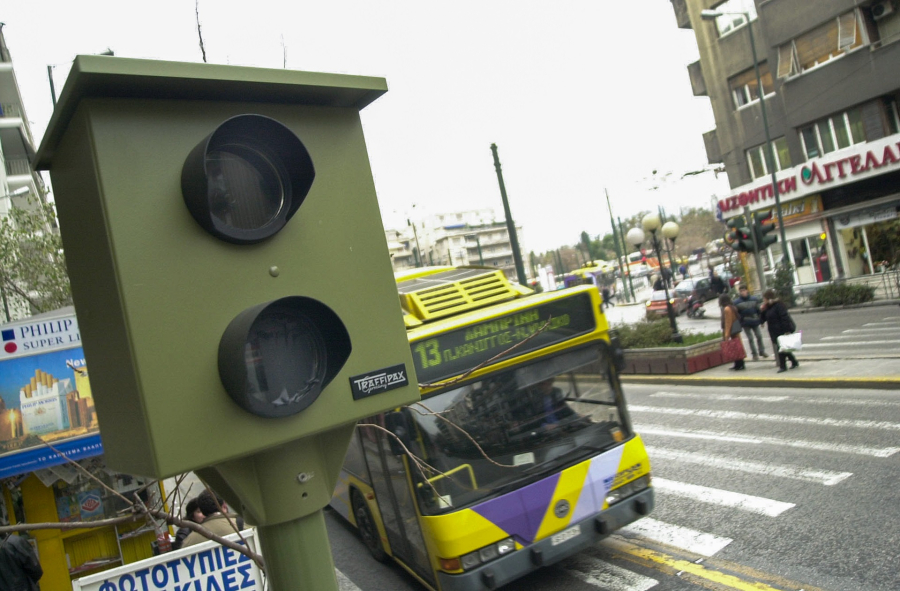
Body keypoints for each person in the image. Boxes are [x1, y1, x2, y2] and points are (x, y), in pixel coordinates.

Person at [760, 289, 799, 373]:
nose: (763, 300)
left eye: (764, 298)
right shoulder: (767, 307)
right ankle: (794, 361)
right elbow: (764, 317)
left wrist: (786, 330)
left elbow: (784, 317)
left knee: (780, 349)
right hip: (773, 330)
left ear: (768, 298)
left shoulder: (778, 305)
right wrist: (762, 312)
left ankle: (783, 366)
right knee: (783, 348)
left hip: (781, 330)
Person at [733, 284, 769, 361]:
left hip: (755, 321)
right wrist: (740, 321)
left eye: (743, 290)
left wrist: (761, 321)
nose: (742, 292)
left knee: (759, 336)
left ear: (747, 290)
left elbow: (758, 310)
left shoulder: (754, 299)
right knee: (750, 338)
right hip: (745, 323)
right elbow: (736, 314)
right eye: (741, 291)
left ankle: (762, 351)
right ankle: (754, 354)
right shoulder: (737, 302)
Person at [719, 294, 746, 370]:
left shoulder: (727, 309)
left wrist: (726, 334)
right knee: (737, 347)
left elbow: (728, 322)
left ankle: (739, 364)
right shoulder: (732, 307)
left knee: (735, 348)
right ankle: (739, 364)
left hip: (732, 331)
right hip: (736, 331)